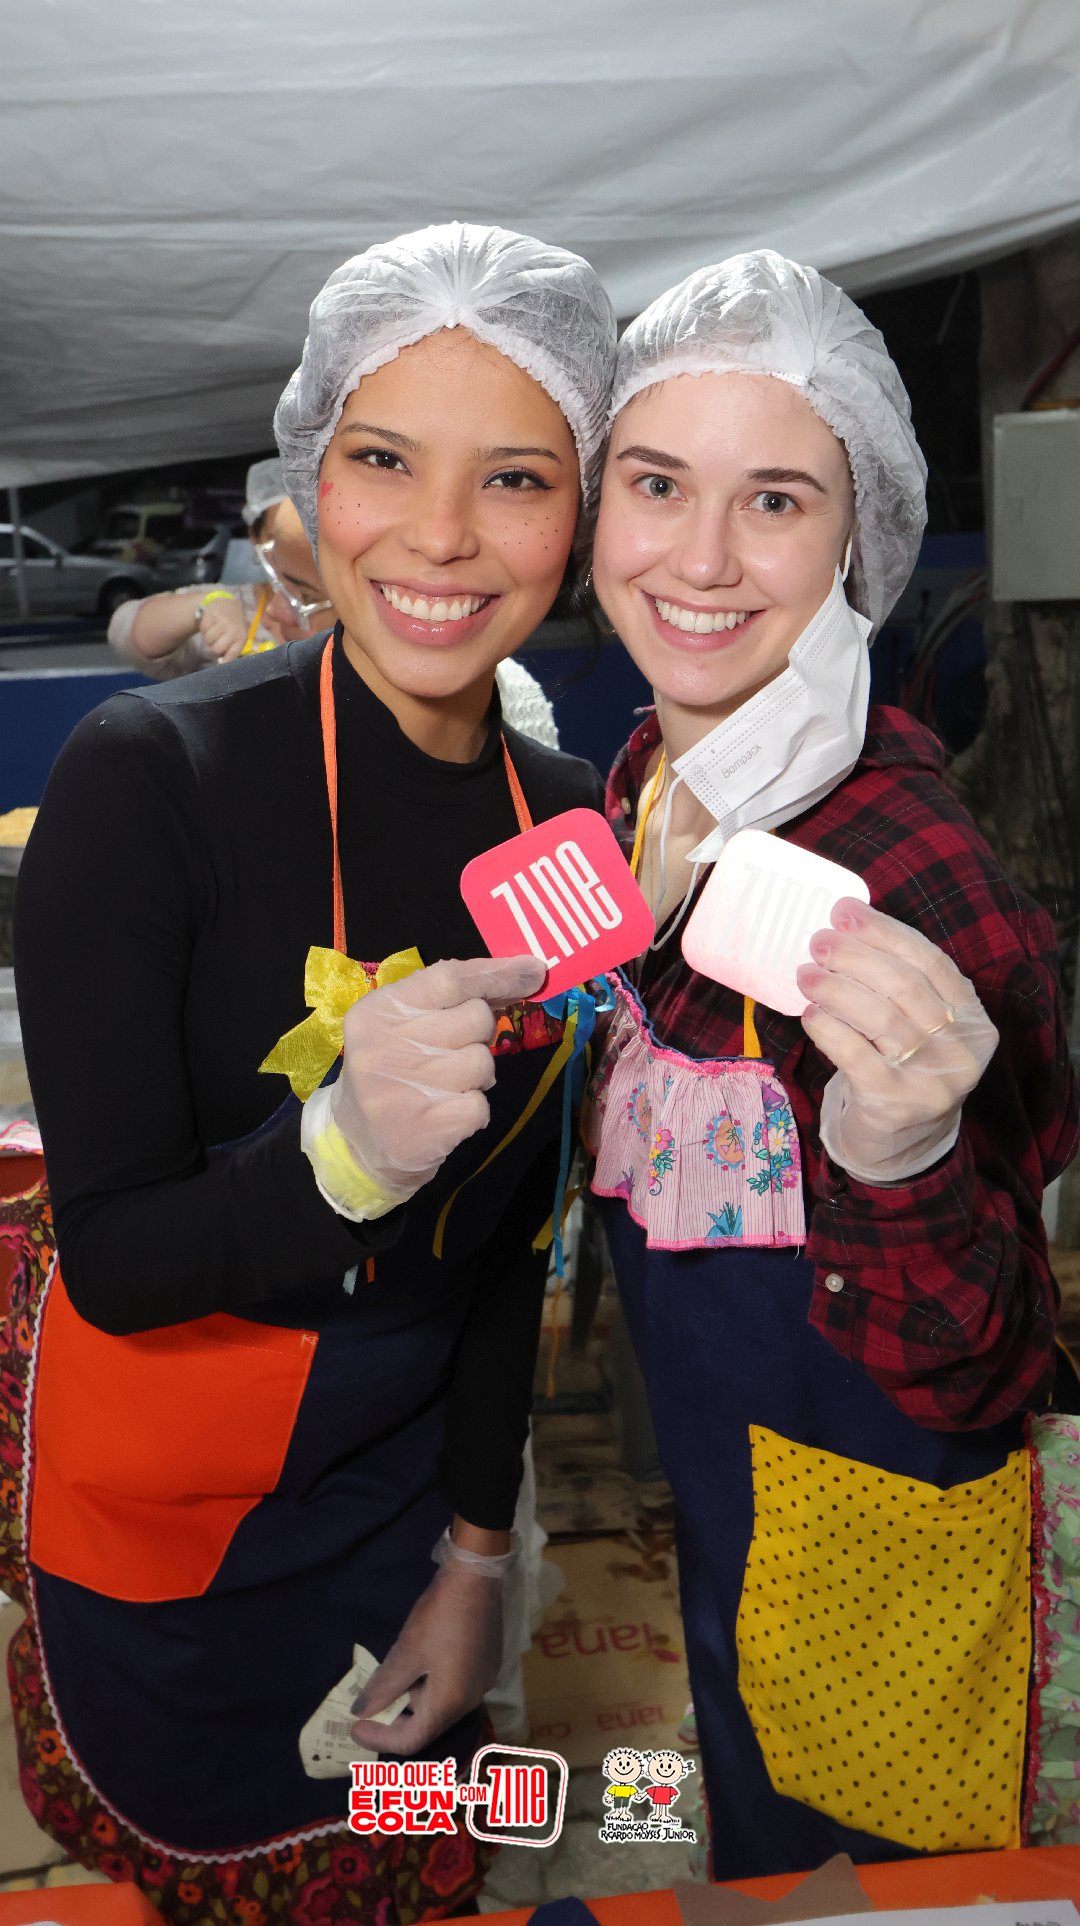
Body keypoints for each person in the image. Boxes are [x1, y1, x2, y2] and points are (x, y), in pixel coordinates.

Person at [11, 222, 615, 1921]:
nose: (439, 535)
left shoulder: (570, 828)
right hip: (174, 1502)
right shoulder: (152, 779)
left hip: (410, 1492)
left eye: (514, 478)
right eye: (384, 460)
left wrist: (477, 1558)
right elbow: (115, 1255)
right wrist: (338, 1156)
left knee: (424, 1846)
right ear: (311, 481)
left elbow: (511, 1241)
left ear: (582, 516)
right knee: (224, 1867)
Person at [583, 250, 1080, 1877]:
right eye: (658, 482)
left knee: (875, 1894)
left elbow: (989, 1362)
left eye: (777, 501)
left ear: (860, 539)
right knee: (750, 1844)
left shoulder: (911, 877)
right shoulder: (651, 780)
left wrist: (903, 1150)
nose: (701, 558)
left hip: (885, 1561)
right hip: (729, 1516)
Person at [111, 458, 562, 749]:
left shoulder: (503, 697)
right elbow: (129, 634)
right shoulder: (242, 612)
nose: (283, 610)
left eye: (311, 596)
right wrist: (206, 604)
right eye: (285, 583)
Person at [106, 457, 323, 676]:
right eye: (280, 538)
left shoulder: (343, 604)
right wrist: (205, 606)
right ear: (255, 538)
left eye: (310, 534)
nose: (299, 549)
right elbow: (126, 633)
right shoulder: (239, 604)